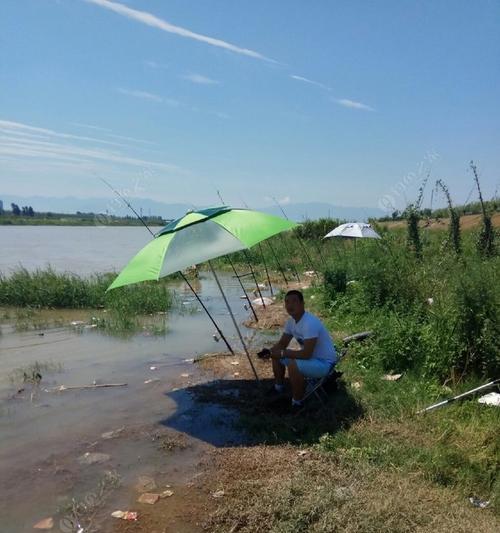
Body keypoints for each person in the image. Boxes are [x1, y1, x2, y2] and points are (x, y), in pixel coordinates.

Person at [269, 289, 337, 410]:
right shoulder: (291, 322)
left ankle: (297, 402)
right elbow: (282, 344)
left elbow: (306, 354)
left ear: (302, 304)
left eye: (294, 301)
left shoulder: (309, 323)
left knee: (293, 365)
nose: (290, 305)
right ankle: (278, 388)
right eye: (287, 302)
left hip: (324, 363)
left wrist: (285, 352)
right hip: (312, 359)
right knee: (275, 355)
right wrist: (271, 352)